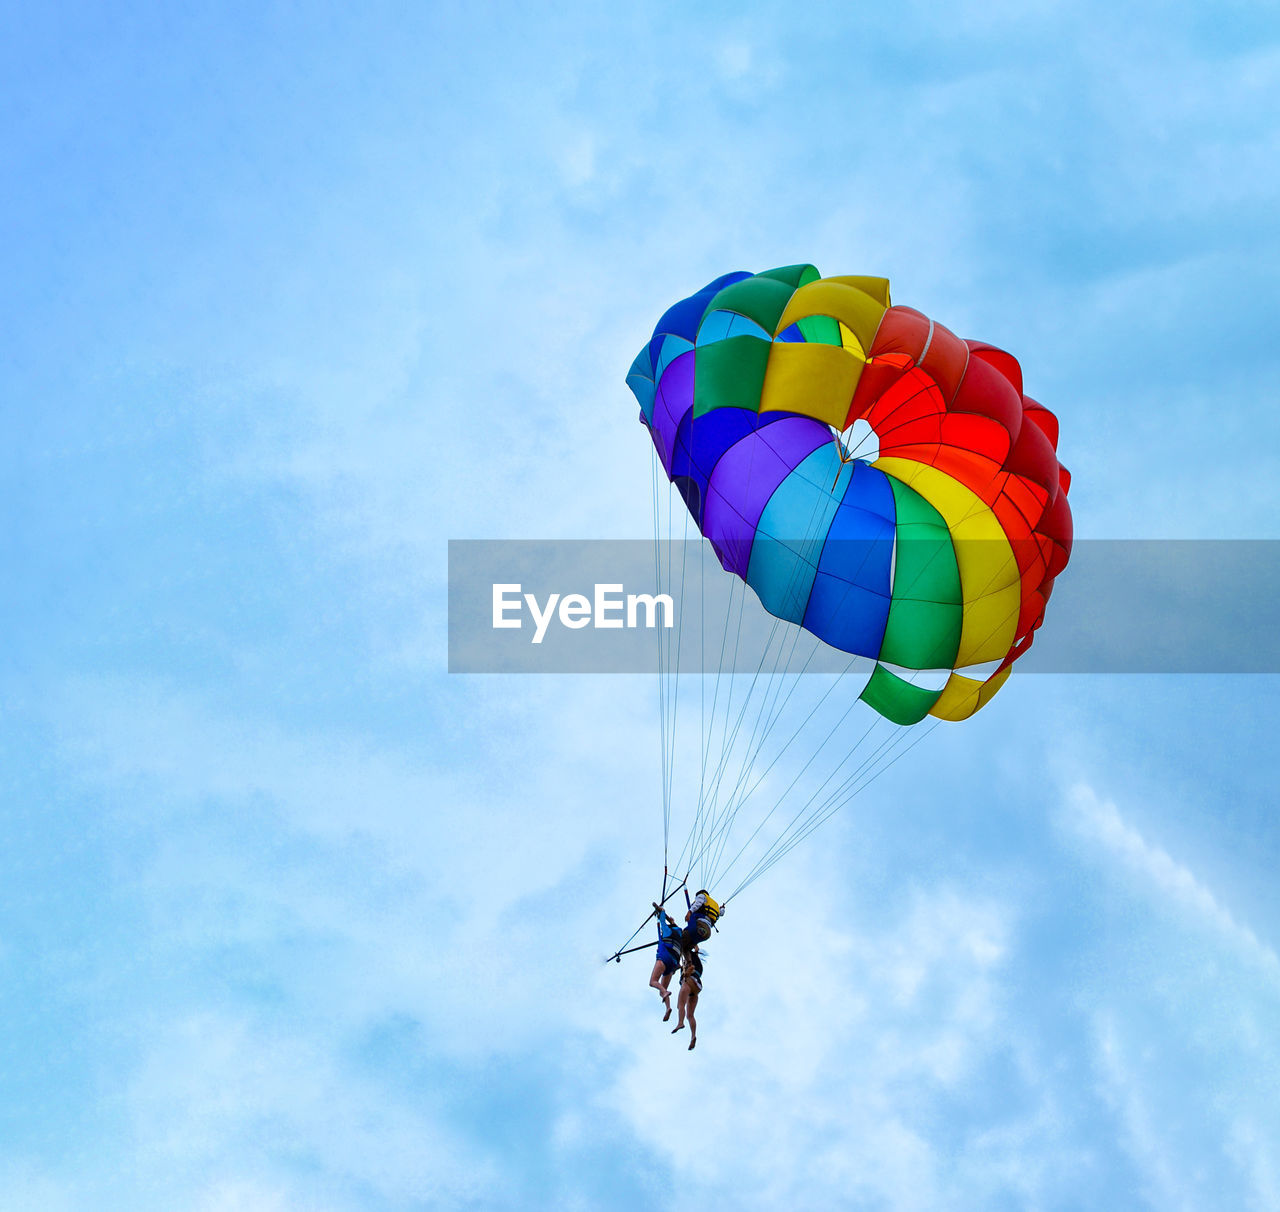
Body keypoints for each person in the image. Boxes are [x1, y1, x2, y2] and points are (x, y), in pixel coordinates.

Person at [648, 903, 683, 1020]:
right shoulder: (679, 934)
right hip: (672, 965)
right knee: (662, 990)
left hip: (665, 957)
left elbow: (663, 920)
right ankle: (668, 1008)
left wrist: (661, 911)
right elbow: (675, 926)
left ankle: (665, 992)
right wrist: (672, 921)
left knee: (653, 981)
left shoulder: (667, 931)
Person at [670, 946, 703, 1050]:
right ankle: (693, 1036)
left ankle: (680, 1023)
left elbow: (687, 950)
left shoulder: (688, 957)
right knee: (690, 1015)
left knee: (680, 1005)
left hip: (688, 981)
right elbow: (696, 949)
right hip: (697, 987)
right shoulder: (696, 959)